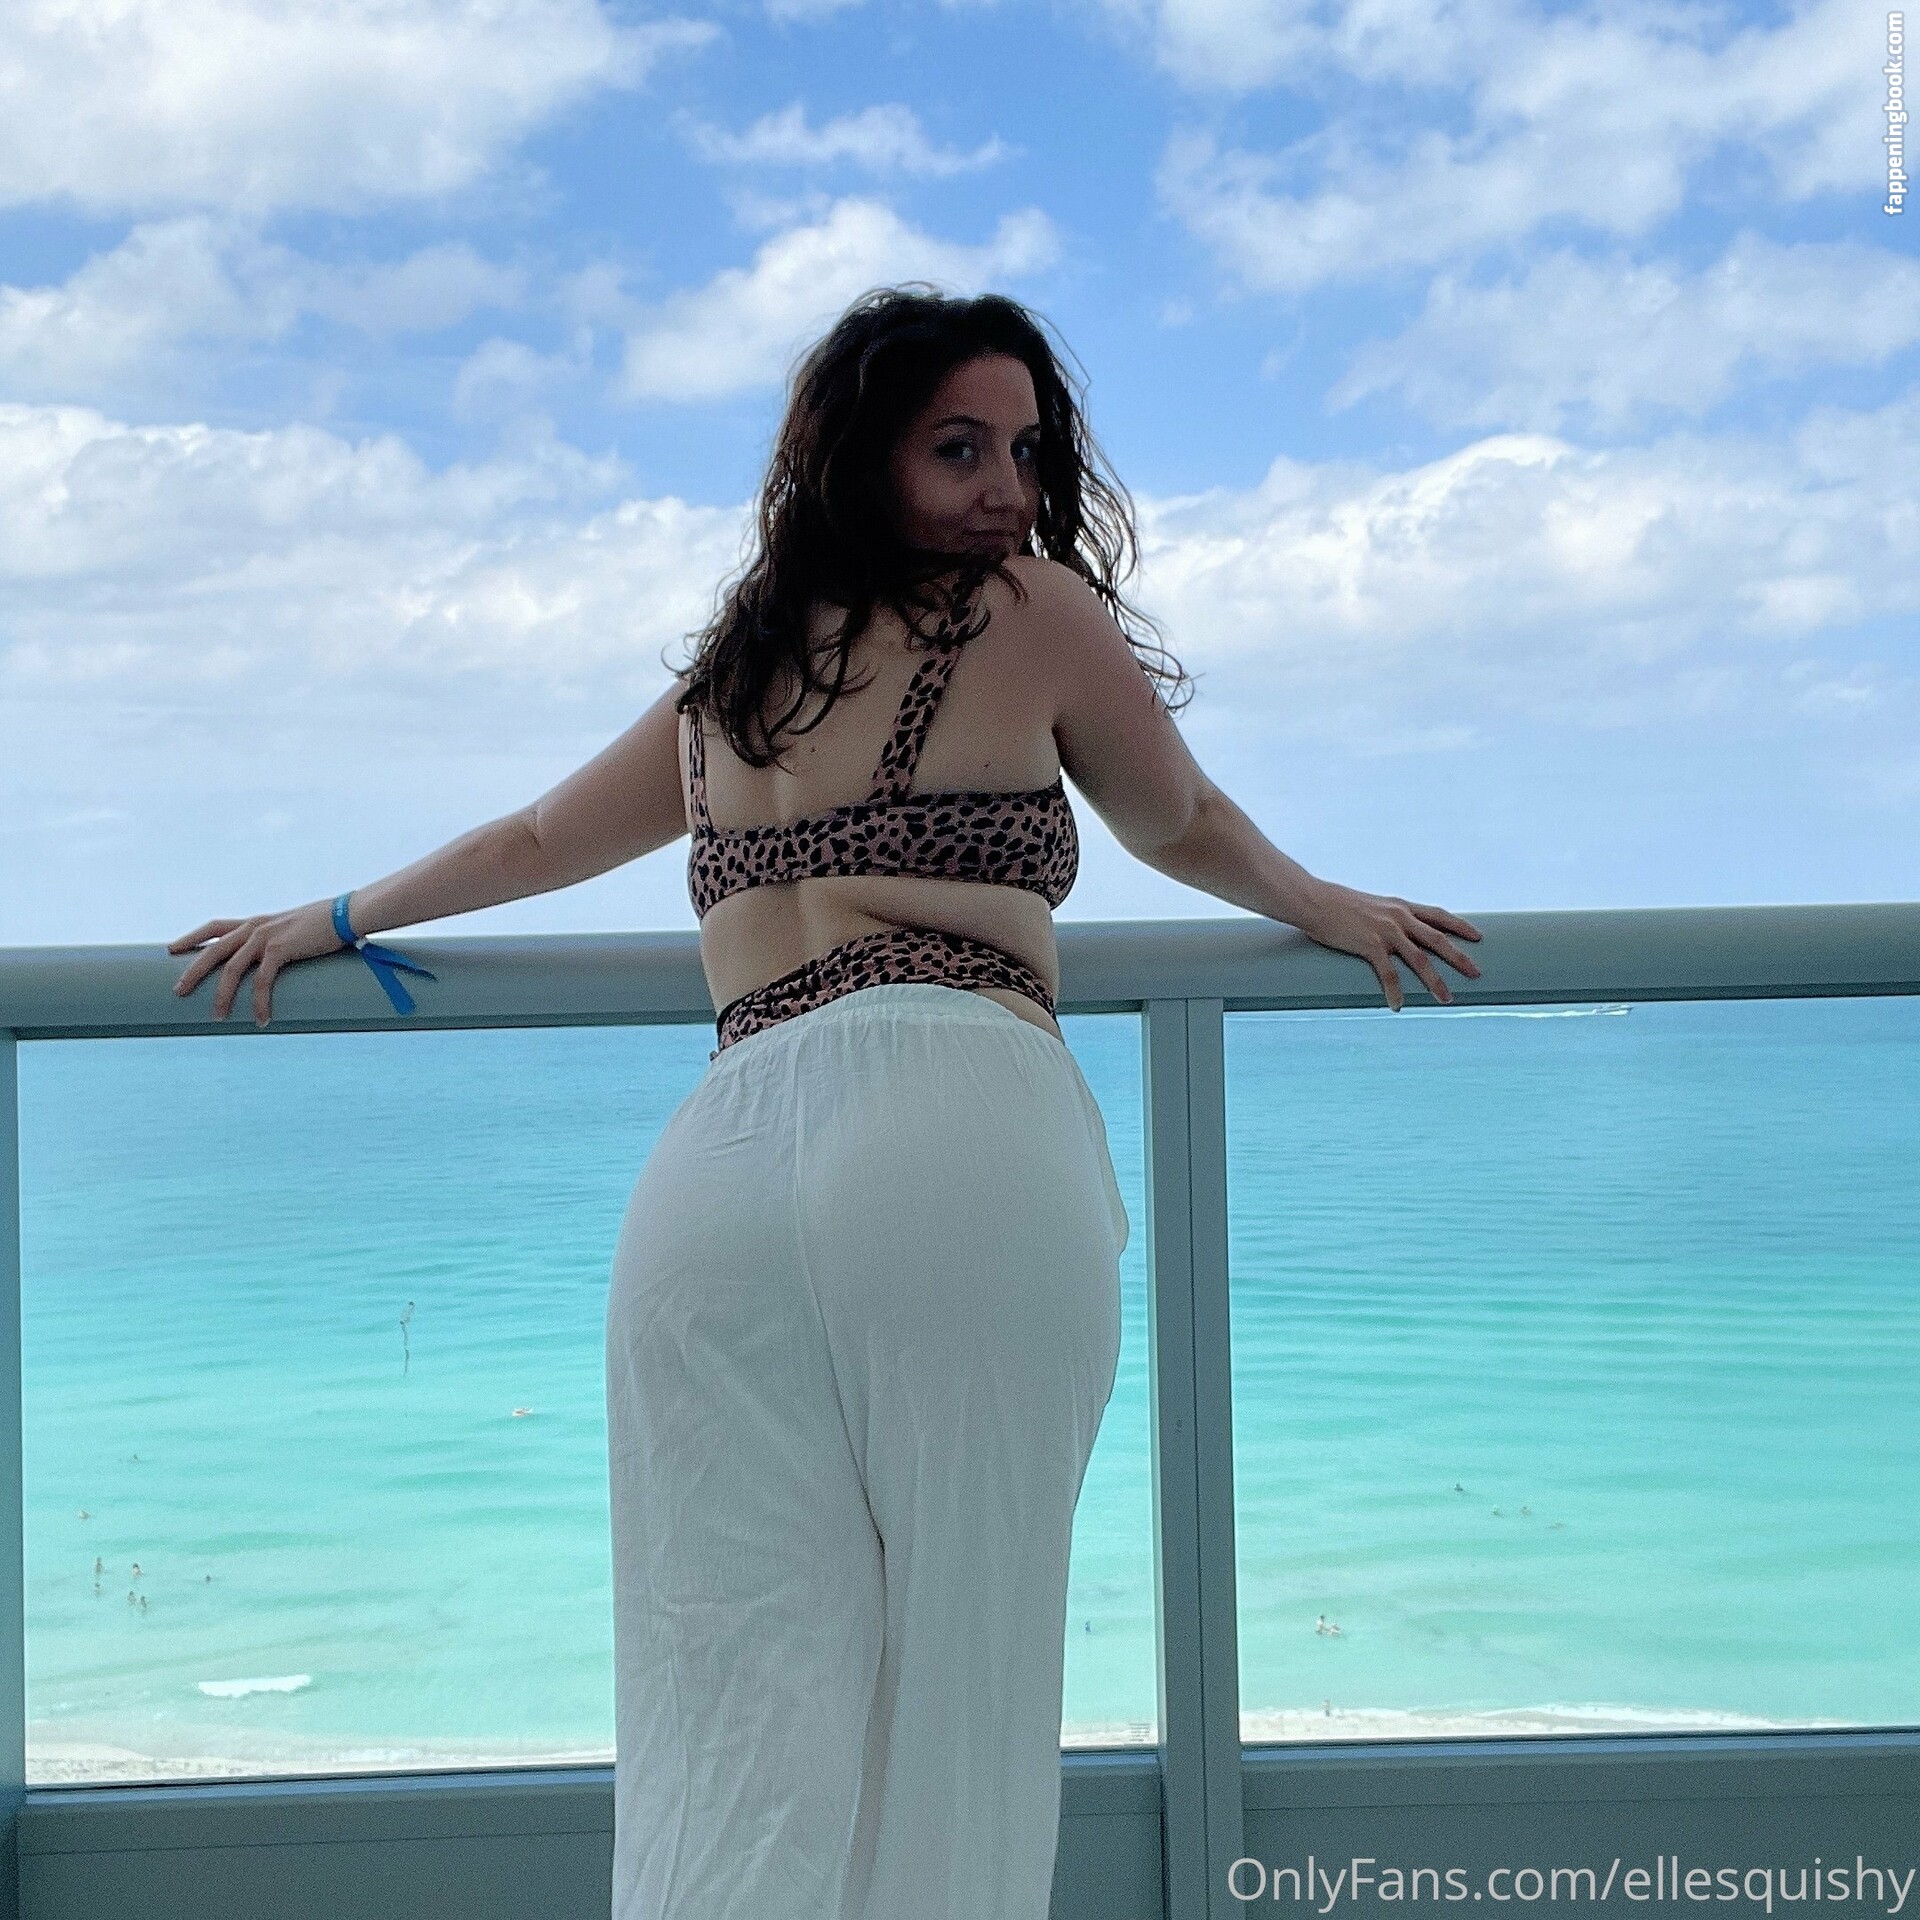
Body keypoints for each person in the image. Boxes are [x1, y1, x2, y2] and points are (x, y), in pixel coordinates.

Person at [168, 285, 1483, 1918]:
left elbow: (532, 840)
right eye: (959, 449)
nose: (1005, 490)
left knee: (722, 1695)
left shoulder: (735, 678)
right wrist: (1332, 907)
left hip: (717, 1171)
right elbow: (1184, 819)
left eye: (1025, 451)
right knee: (962, 1686)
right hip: (954, 1120)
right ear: (866, 457)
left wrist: (330, 919)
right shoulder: (1032, 609)